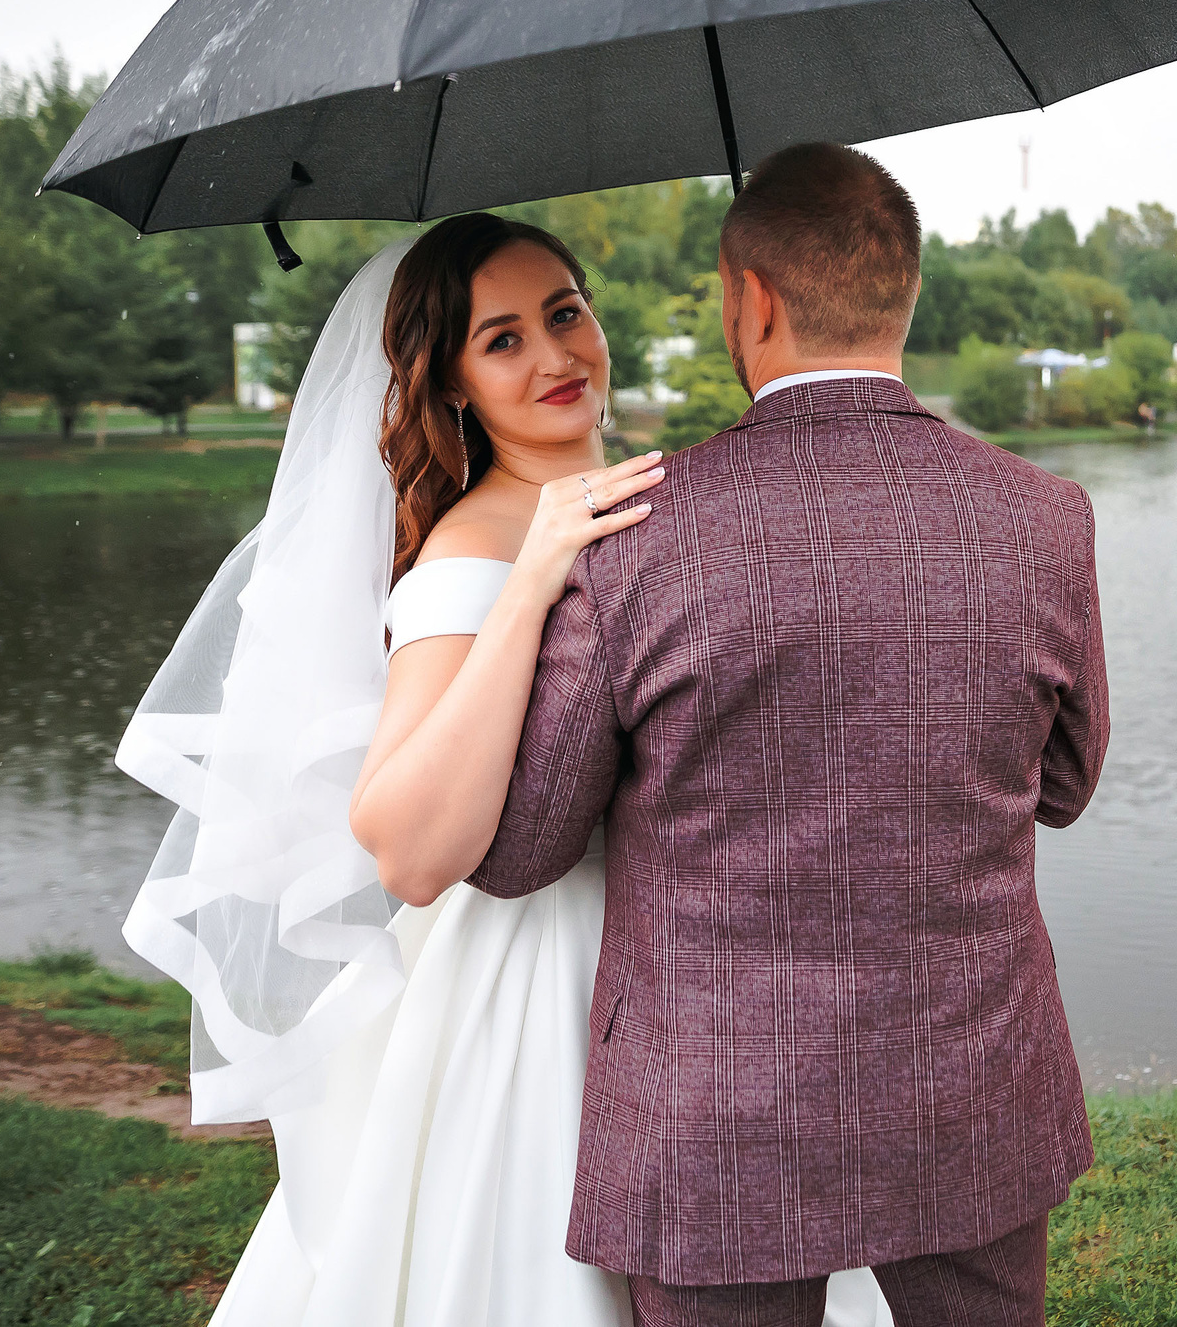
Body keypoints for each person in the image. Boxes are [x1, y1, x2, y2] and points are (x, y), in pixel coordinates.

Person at [116, 214, 893, 1326]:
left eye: (565, 313)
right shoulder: (473, 553)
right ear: (451, 389)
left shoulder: (655, 491)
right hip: (552, 989)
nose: (556, 356)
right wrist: (529, 587)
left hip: (711, 956)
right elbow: (409, 847)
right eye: (503, 339)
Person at [470, 142, 1110, 1327]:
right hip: (969, 1084)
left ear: (748, 300)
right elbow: (1063, 785)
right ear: (904, 291)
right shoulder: (1044, 518)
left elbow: (518, 854)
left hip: (717, 1109)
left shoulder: (632, 538)